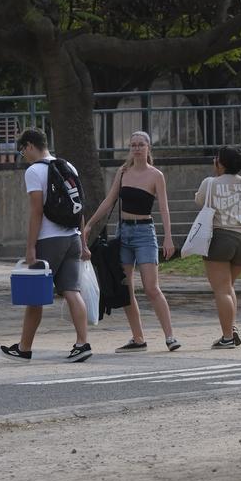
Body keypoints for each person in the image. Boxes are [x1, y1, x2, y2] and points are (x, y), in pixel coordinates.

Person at [81, 130, 179, 352]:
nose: (136, 148)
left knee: (151, 287)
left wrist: (169, 237)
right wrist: (89, 225)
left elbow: (164, 208)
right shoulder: (123, 172)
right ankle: (138, 338)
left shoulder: (156, 176)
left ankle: (170, 336)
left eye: (140, 145)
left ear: (148, 148)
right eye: (133, 145)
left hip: (145, 232)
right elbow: (109, 200)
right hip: (124, 232)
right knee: (126, 289)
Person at [1, 128, 92, 362]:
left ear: (30, 146)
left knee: (35, 296)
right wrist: (83, 242)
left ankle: (24, 348)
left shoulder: (34, 171)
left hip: (49, 239)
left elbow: (36, 211)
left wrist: (31, 247)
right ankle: (82, 343)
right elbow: (78, 206)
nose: (25, 156)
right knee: (72, 291)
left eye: (23, 151)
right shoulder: (68, 166)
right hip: (72, 236)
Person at [197, 146, 241, 349]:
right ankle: (231, 329)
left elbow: (199, 200)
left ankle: (227, 337)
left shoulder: (211, 183)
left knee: (221, 289)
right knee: (229, 286)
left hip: (221, 237)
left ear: (220, 163)